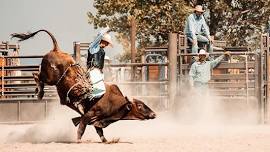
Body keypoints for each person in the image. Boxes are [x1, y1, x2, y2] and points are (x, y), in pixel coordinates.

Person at [75, 27, 113, 114]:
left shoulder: (100, 49)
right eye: (107, 42)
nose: (107, 45)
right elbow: (99, 35)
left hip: (98, 72)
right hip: (93, 71)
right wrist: (106, 29)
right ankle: (81, 102)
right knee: (100, 90)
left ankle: (88, 105)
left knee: (101, 90)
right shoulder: (93, 47)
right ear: (103, 41)